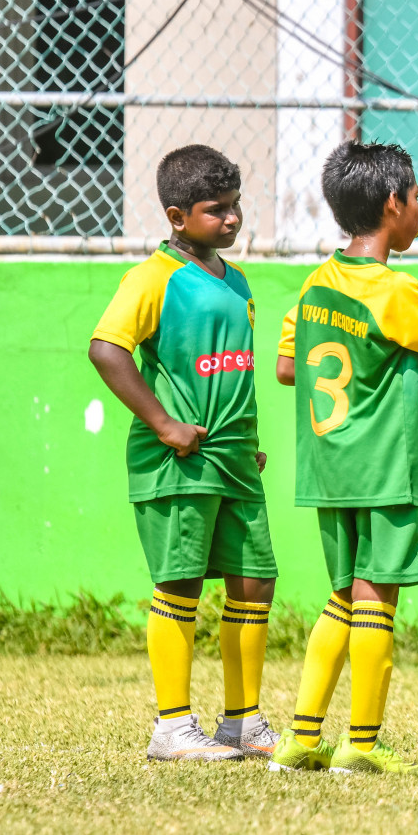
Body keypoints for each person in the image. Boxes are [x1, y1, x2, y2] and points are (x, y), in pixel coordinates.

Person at [268, 142, 418, 774]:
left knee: (340, 598)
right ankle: (361, 745)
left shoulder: (317, 283)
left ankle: (301, 737)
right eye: (417, 197)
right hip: (383, 468)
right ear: (393, 204)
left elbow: (288, 367)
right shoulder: (395, 291)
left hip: (326, 466)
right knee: (376, 602)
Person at [88, 145, 278, 763]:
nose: (231, 219)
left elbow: (234, 372)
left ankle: (242, 722)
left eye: (235, 206)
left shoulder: (237, 278)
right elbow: (107, 349)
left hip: (233, 459)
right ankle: (171, 726)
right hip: (179, 460)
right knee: (180, 584)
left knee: (255, 582)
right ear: (176, 216)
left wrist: (249, 443)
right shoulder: (153, 277)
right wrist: (164, 422)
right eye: (214, 210)